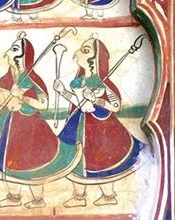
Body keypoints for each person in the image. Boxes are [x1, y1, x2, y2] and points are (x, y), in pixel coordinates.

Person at [0, 32, 81, 208]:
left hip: (31, 127)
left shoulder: (32, 79)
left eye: (14, 49)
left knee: (34, 162)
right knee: (9, 160)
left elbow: (43, 103)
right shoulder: (7, 79)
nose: (8, 52)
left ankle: (38, 200)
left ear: (23, 56)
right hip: (9, 125)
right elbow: (3, 99)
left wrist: (22, 97)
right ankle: (14, 197)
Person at [54, 36, 145, 207]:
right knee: (75, 159)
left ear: (95, 59)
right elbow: (78, 102)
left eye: (85, 50)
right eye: (81, 49)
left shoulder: (103, 82)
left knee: (102, 159)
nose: (79, 53)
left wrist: (96, 100)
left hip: (99, 126)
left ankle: (109, 196)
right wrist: (62, 91)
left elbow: (115, 106)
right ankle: (79, 197)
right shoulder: (79, 81)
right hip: (79, 123)